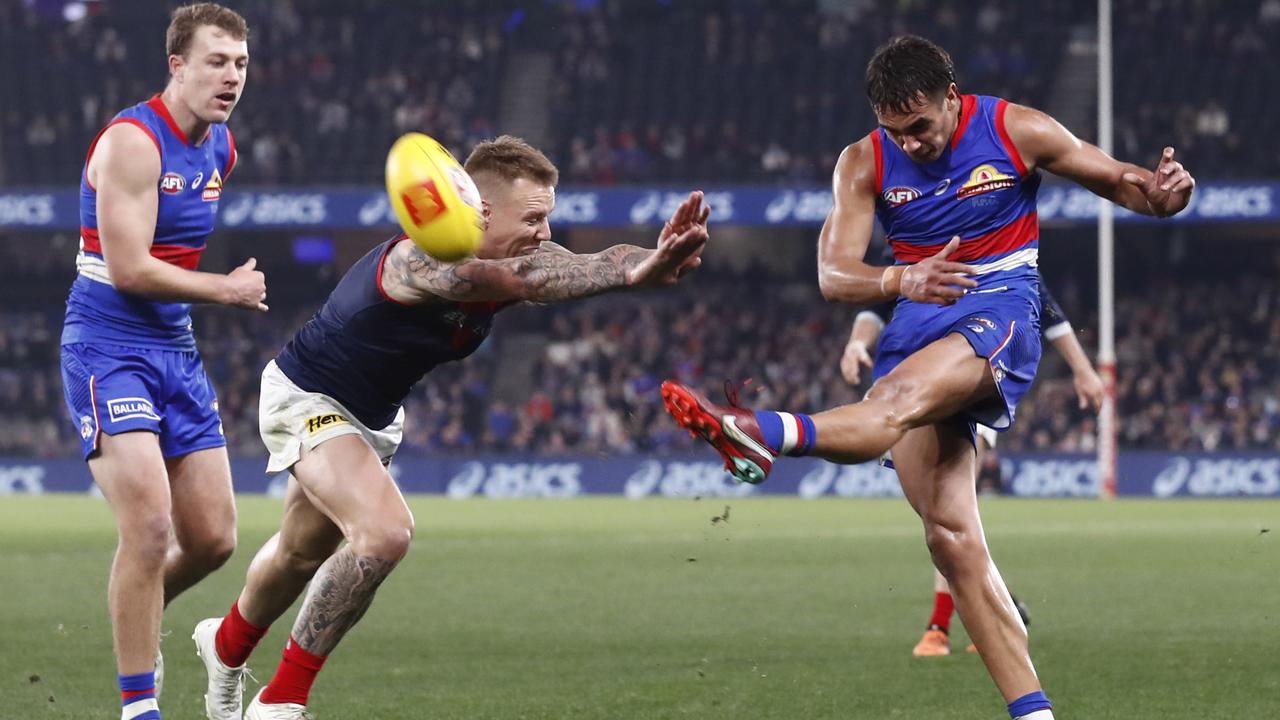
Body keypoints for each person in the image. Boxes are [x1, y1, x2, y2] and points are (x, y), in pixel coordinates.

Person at [660, 35, 1192, 720]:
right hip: (916, 318)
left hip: (999, 306)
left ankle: (759, 432)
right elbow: (832, 274)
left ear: (951, 96)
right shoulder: (862, 162)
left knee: (895, 403)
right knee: (951, 538)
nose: (909, 142)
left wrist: (1170, 193)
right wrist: (898, 276)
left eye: (919, 126)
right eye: (894, 130)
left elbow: (1132, 186)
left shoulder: (1014, 127)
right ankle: (1036, 715)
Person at [190, 135, 709, 719]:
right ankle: (281, 702)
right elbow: (529, 281)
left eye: (549, 217)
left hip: (370, 420)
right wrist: (638, 274)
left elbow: (580, 265)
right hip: (305, 394)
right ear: (481, 211)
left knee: (299, 555)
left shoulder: (515, 256)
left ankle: (224, 646)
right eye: (534, 217)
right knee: (384, 535)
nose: (544, 231)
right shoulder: (422, 260)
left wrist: (648, 261)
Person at [56, 5, 260, 720]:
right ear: (177, 65)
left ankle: (134, 613)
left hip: (173, 347)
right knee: (148, 530)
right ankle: (139, 706)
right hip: (106, 344)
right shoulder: (133, 143)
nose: (230, 75)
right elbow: (131, 268)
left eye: (239, 62)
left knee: (212, 539)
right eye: (215, 61)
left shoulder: (221, 148)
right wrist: (225, 288)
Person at [840, 262, 1103, 657]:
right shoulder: (913, 226)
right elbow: (877, 297)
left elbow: (1043, 302)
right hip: (916, 382)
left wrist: (1083, 370)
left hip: (975, 378)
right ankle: (1000, 606)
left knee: (947, 511)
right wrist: (858, 342)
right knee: (943, 514)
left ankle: (940, 627)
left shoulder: (995, 230)